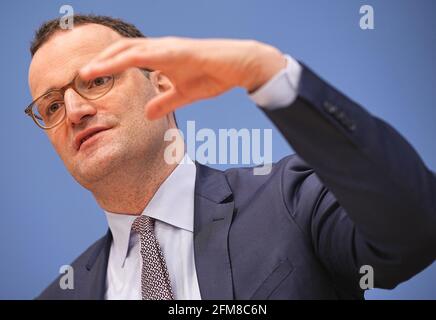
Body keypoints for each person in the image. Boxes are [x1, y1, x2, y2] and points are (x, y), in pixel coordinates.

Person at [26, 15, 435, 300]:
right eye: (51, 107)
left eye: (97, 80)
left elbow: (416, 232)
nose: (75, 111)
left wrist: (266, 72)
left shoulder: (290, 199)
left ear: (162, 84)